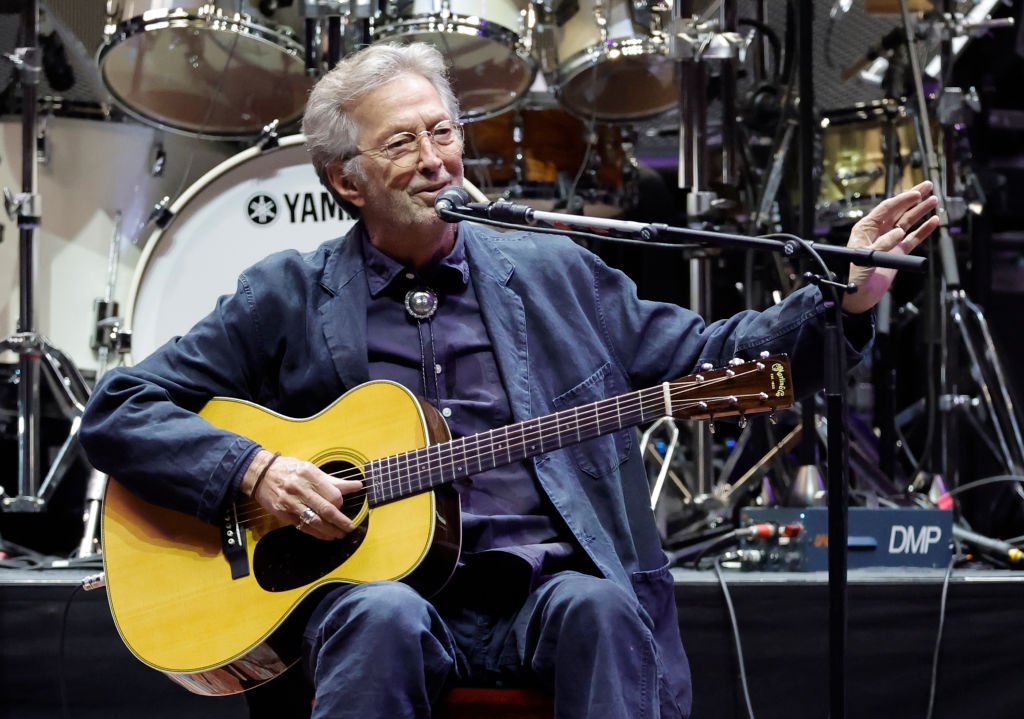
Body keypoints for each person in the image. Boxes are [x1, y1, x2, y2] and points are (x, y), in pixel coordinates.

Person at [79, 42, 939, 719]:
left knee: (602, 609)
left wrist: (845, 299)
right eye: (402, 142)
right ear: (346, 179)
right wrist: (254, 470)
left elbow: (715, 355)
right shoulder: (289, 295)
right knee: (380, 618)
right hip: (382, 598)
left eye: (443, 133)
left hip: (540, 591)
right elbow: (119, 409)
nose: (435, 160)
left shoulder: (552, 271)